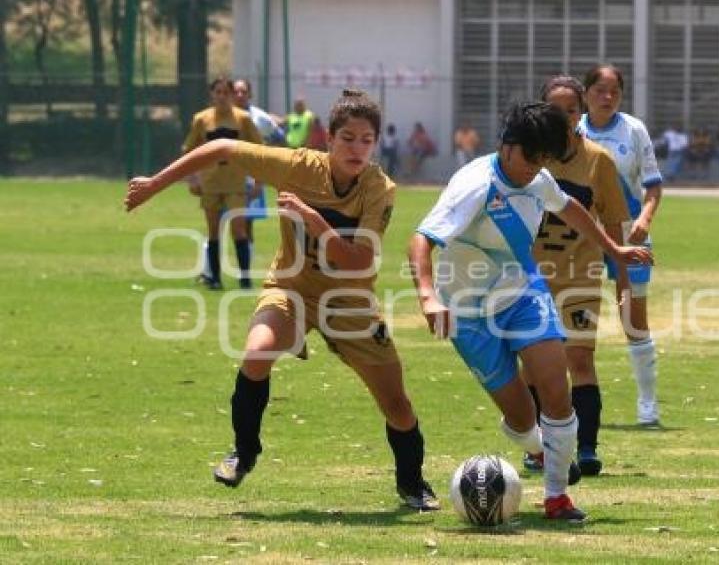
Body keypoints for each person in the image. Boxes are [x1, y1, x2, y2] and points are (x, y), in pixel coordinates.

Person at [125, 89, 440, 511]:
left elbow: (357, 261)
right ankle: (244, 451)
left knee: (397, 405)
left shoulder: (379, 189)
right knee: (256, 353)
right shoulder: (296, 166)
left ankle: (412, 482)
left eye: (367, 139)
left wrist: (313, 219)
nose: (357, 148)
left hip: (350, 300)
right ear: (328, 138)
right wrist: (153, 184)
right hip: (291, 287)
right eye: (348, 137)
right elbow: (221, 147)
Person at [408, 101, 652, 521]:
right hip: (467, 312)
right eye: (529, 157)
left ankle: (557, 497)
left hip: (522, 292)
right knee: (520, 417)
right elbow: (421, 240)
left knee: (556, 385)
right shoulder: (474, 184)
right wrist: (428, 296)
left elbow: (569, 207)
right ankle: (541, 449)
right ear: (507, 146)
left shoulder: (537, 177)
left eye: (543, 160)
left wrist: (613, 249)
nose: (534, 168)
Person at [521, 75, 631, 478]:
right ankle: (539, 450)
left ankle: (586, 448)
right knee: (533, 366)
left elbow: (618, 222)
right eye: (556, 110)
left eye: (572, 110)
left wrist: (624, 280)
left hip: (580, 276)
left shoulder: (598, 160)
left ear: (581, 112)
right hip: (530, 279)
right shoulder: (529, 158)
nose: (565, 119)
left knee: (579, 357)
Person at [579, 64, 664, 442]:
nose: (607, 96)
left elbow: (653, 186)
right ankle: (574, 404)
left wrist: (644, 219)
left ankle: (648, 404)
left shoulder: (634, 129)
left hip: (629, 236)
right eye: (599, 89)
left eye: (614, 90)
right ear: (586, 93)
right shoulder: (573, 130)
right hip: (582, 239)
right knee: (576, 321)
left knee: (633, 320)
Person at [183, 76, 264, 290]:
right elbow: (189, 150)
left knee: (239, 229)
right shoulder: (202, 119)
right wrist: (191, 178)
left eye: (225, 92)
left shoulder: (242, 119)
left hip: (235, 182)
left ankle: (245, 278)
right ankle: (215, 279)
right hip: (210, 182)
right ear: (212, 94)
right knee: (213, 231)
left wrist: (258, 181)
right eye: (217, 92)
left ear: (230, 95)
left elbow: (259, 150)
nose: (222, 96)